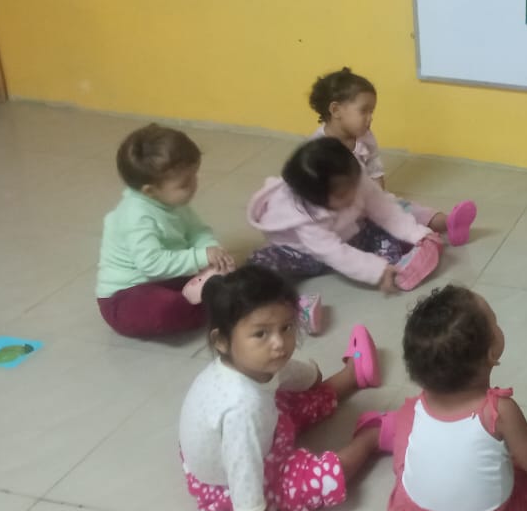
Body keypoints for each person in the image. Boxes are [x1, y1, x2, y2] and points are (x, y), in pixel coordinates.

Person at [177, 265, 390, 511]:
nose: (279, 343)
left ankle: (353, 375)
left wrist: (313, 376)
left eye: (286, 327)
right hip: (229, 482)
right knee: (325, 477)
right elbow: (244, 475)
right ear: (221, 341)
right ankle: (371, 438)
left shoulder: (252, 361)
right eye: (261, 333)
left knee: (290, 399)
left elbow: (292, 374)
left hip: (256, 435)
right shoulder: (242, 407)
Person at [388, 284, 527, 511]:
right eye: (495, 322)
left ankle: (380, 433)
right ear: (491, 353)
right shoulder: (499, 411)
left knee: (405, 424)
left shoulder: (418, 406)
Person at [309, 67, 477, 245]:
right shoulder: (317, 149)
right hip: (340, 214)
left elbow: (373, 164)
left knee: (404, 208)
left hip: (369, 200)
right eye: (364, 111)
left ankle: (447, 222)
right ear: (336, 110)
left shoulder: (364, 136)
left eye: (372, 111)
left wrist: (379, 194)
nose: (370, 118)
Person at [248, 138, 441, 293]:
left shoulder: (353, 178)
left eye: (354, 185)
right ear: (317, 200)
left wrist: (416, 234)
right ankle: (291, 304)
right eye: (342, 195)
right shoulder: (305, 217)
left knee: (379, 229)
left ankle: (398, 270)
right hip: (303, 255)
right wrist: (375, 270)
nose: (353, 194)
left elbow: (385, 210)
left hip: (349, 237)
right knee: (262, 270)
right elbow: (334, 253)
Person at [96, 124, 235, 337]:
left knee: (228, 276)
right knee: (167, 308)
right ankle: (210, 307)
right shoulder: (136, 216)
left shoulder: (172, 202)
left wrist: (212, 251)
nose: (194, 185)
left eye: (194, 176)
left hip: (166, 277)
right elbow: (151, 265)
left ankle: (208, 300)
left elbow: (197, 231)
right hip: (126, 295)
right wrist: (200, 257)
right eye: (185, 183)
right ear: (150, 191)